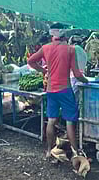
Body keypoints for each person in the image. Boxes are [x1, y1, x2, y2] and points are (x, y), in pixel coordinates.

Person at [27, 29, 89, 162]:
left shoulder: (46, 48)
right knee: (69, 122)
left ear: (52, 36)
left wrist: (43, 70)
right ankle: (75, 153)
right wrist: (87, 81)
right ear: (65, 36)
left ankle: (49, 150)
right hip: (65, 90)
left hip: (51, 90)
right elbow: (77, 74)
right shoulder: (70, 49)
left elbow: (31, 61)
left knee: (51, 120)